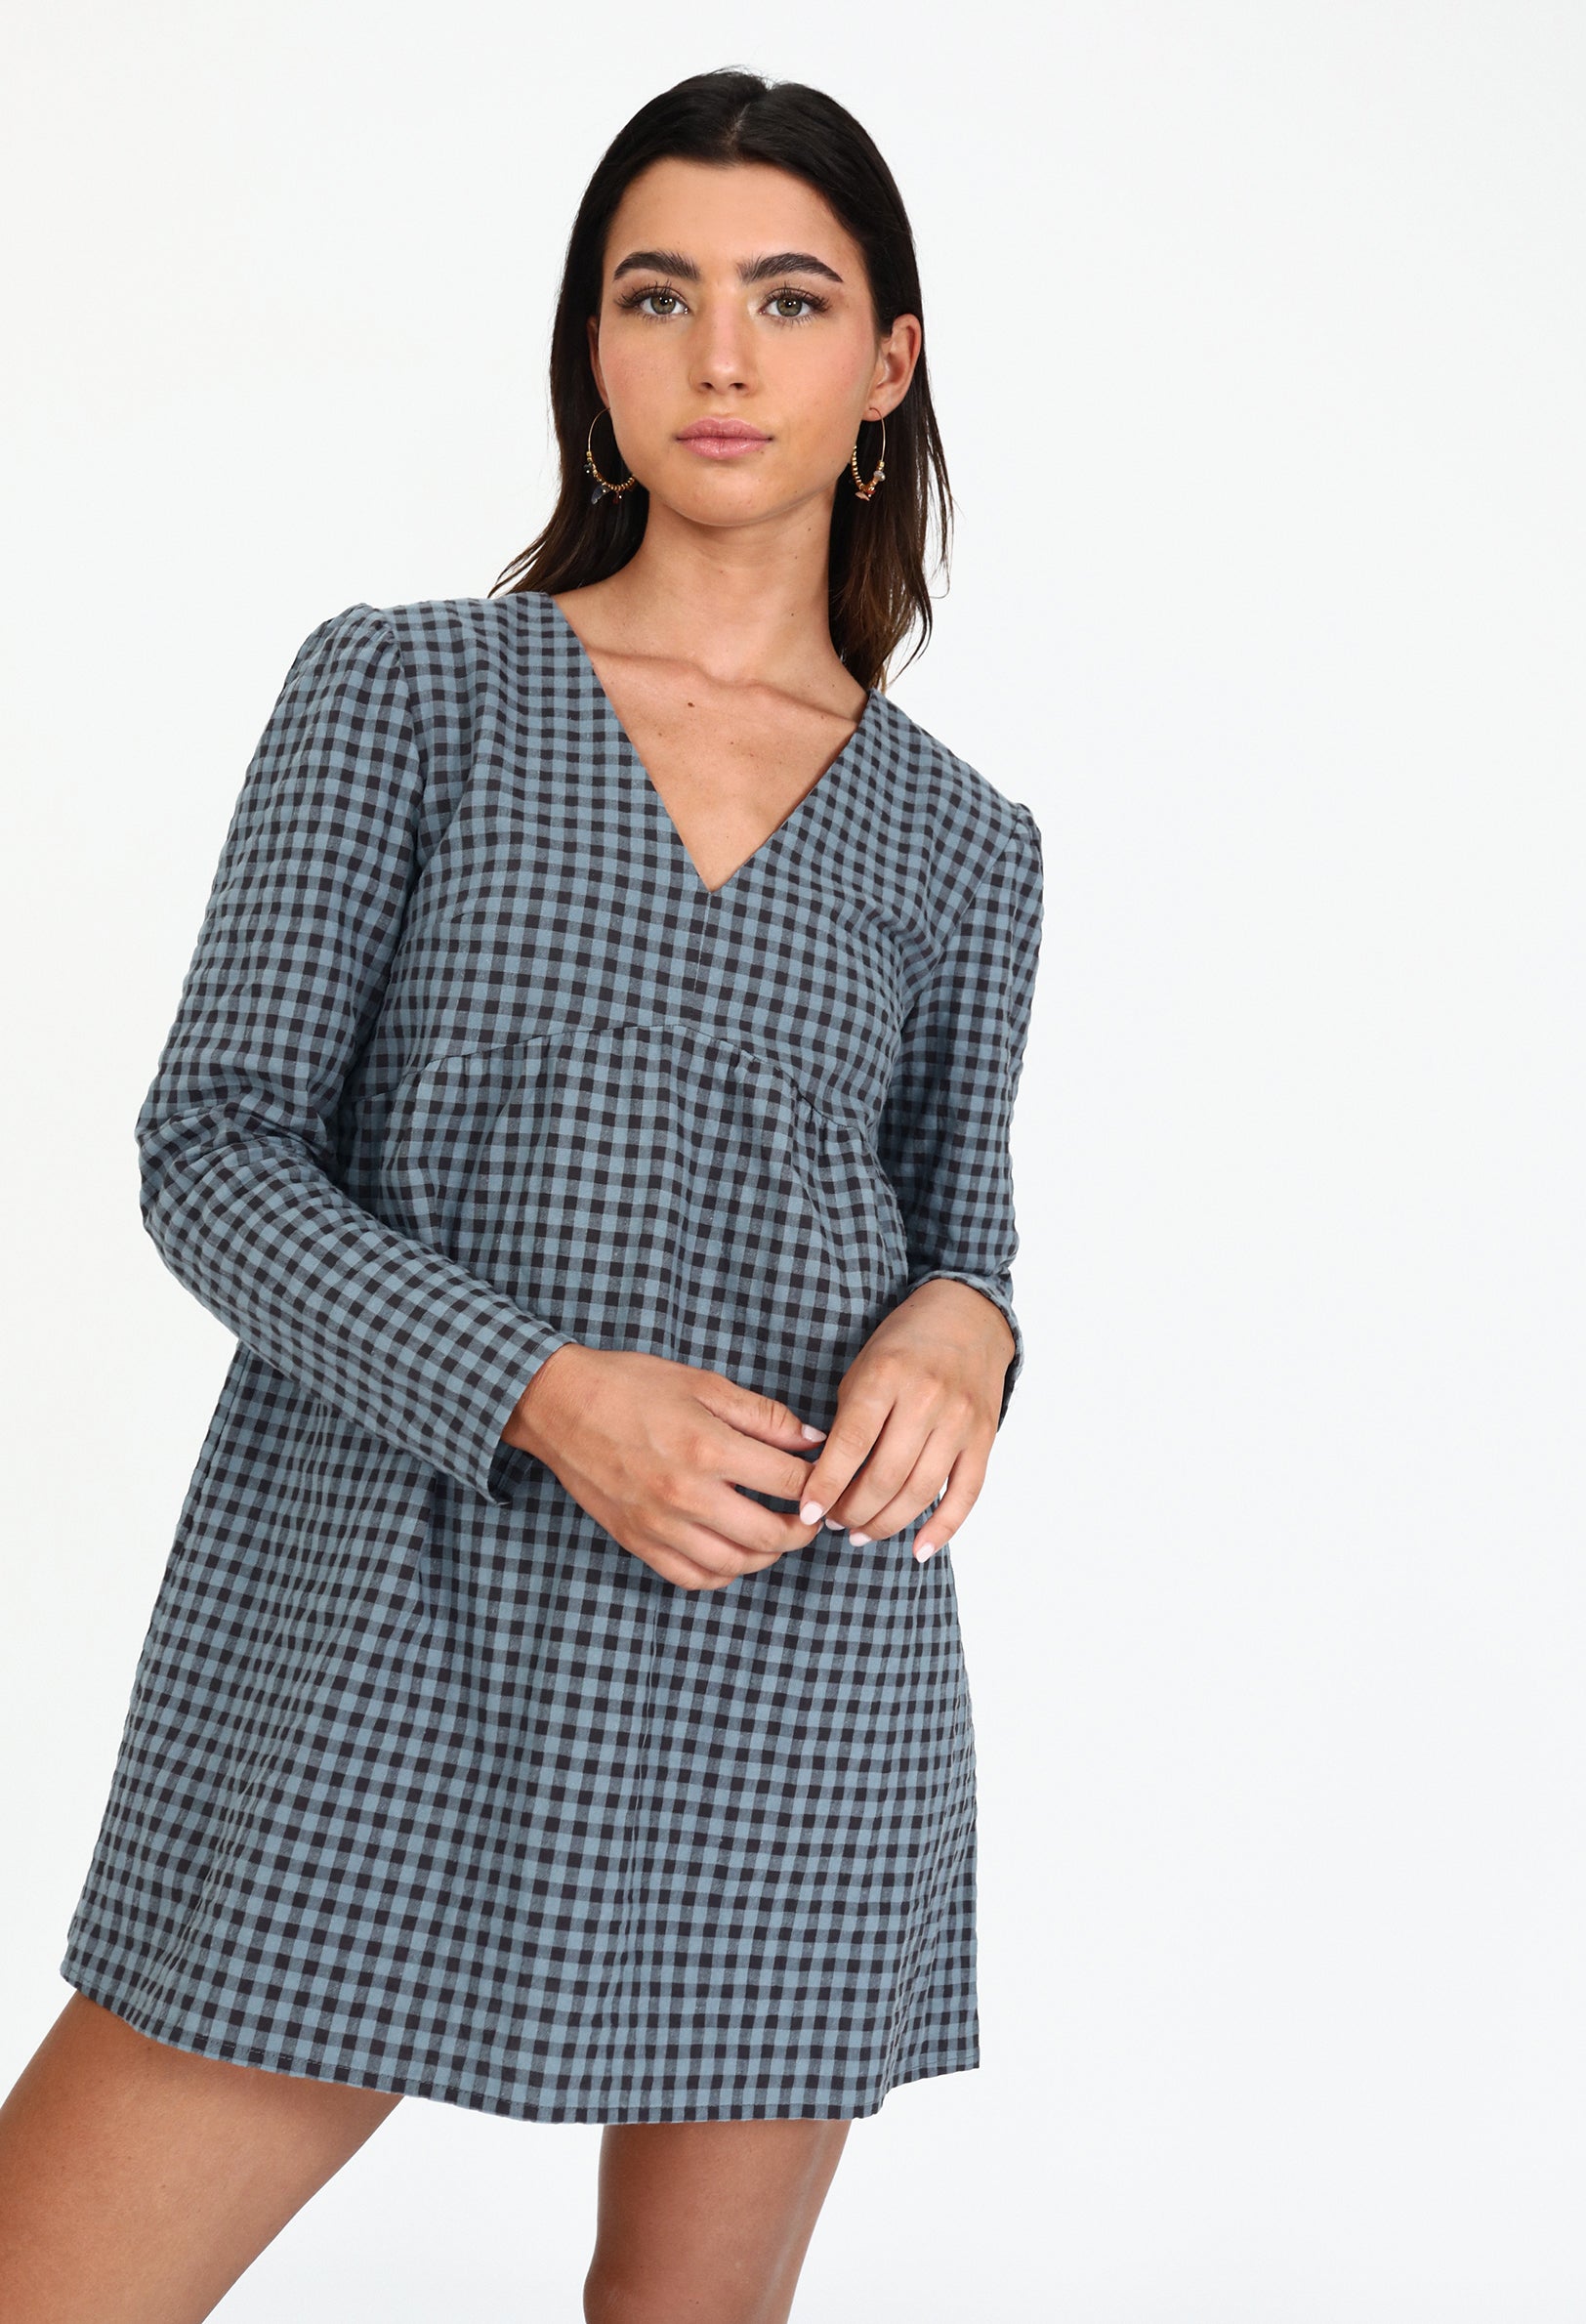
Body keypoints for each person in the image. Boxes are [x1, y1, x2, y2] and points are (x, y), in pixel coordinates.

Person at [0, 68, 1045, 2324]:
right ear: (593, 348)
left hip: (788, 1656)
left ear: (889, 362)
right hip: (385, 1609)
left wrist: (968, 1327)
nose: (721, 355)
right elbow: (215, 1148)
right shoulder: (410, 695)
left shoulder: (967, 844)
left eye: (789, 298)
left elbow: (964, 1232)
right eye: (657, 295)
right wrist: (547, 1391)